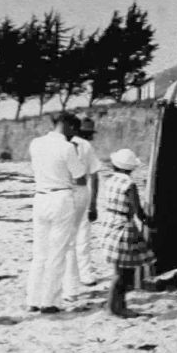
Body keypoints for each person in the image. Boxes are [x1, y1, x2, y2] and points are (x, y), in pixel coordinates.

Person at [25, 112, 89, 314]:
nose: (74, 135)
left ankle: (33, 299)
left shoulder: (35, 143)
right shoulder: (67, 147)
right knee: (58, 252)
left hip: (40, 196)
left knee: (39, 253)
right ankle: (50, 301)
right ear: (68, 126)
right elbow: (80, 178)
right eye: (74, 130)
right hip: (60, 197)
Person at [94, 148, 155, 318]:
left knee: (118, 270)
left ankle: (116, 305)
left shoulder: (110, 180)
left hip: (110, 223)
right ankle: (115, 307)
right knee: (124, 273)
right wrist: (149, 222)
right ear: (131, 168)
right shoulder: (129, 184)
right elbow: (138, 211)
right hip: (123, 227)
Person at [64, 116, 102, 291]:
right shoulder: (86, 147)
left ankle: (68, 276)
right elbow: (94, 177)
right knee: (83, 237)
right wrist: (93, 203)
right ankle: (85, 274)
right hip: (81, 192)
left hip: (62, 193)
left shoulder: (63, 145)